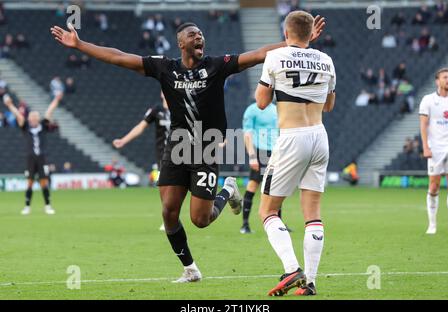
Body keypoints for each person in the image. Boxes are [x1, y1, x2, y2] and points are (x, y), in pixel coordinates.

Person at [50, 17, 326, 283]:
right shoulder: (164, 68)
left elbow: (258, 54)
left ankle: (228, 189)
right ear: (180, 43)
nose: (199, 37)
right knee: (169, 212)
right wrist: (81, 45)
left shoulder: (218, 65)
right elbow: (119, 56)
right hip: (177, 146)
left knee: (200, 220)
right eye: (192, 35)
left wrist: (296, 44)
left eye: (201, 35)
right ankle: (191, 269)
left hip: (205, 147)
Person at [255, 10, 335, 296]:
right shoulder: (326, 60)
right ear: (311, 32)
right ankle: (310, 282)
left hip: (292, 138)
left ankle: (292, 269)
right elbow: (329, 106)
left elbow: (261, 102)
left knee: (268, 210)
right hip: (320, 136)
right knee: (312, 213)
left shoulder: (274, 57)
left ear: (286, 33)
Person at [113, 91, 170, 232]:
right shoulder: (156, 110)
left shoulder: (181, 107)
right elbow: (141, 126)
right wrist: (124, 140)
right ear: (161, 93)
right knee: (164, 187)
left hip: (182, 153)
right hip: (163, 155)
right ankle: (168, 219)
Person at [3, 93, 63, 215]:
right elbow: (18, 116)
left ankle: (47, 205)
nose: (34, 119)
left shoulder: (43, 126)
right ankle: (27, 206)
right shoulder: (25, 127)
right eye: (32, 117)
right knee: (29, 182)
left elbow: (50, 111)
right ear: (29, 119)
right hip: (30, 158)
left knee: (44, 182)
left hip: (41, 157)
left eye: (36, 117)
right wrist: (10, 105)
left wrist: (56, 100)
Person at [241, 100, 280, 234]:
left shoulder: (276, 109)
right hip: (259, 151)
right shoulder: (252, 110)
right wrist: (252, 156)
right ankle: (245, 224)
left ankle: (278, 223)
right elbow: (247, 133)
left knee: (276, 186)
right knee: (253, 185)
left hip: (275, 152)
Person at [419, 68, 448, 234]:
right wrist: (426, 147)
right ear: (437, 81)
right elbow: (423, 124)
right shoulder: (428, 100)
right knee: (434, 186)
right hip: (435, 148)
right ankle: (432, 224)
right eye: (445, 77)